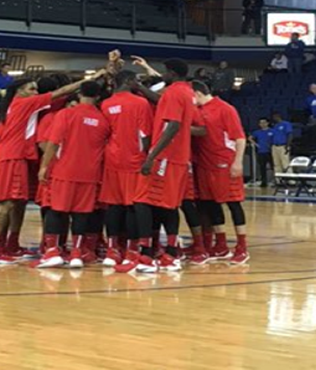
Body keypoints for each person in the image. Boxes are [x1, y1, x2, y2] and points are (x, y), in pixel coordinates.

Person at [0, 72, 104, 264]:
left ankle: (12, 244)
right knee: (7, 202)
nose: (35, 92)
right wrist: (94, 77)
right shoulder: (23, 103)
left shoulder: (20, 107)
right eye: (32, 89)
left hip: (16, 155)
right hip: (11, 156)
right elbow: (61, 92)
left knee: (18, 202)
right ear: (19, 91)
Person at [115, 58, 196, 273]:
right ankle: (170, 254)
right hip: (179, 157)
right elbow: (161, 102)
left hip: (165, 157)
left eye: (165, 72)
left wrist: (152, 156)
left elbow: (173, 125)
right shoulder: (186, 92)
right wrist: (140, 88)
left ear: (171, 73)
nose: (163, 75)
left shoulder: (173, 93)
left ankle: (146, 255)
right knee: (168, 205)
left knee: (141, 200)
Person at [34, 81, 110, 269]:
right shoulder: (103, 120)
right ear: (98, 97)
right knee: (82, 213)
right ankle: (77, 253)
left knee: (56, 209)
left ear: (79, 94)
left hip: (64, 170)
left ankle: (52, 252)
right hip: (90, 173)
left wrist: (44, 167)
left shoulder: (66, 114)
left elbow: (53, 143)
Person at [94, 70, 154, 267]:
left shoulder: (106, 104)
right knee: (134, 206)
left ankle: (112, 251)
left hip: (112, 160)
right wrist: (148, 155)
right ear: (129, 81)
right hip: (135, 160)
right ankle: (132, 250)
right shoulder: (141, 103)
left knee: (114, 205)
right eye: (136, 80)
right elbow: (145, 135)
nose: (138, 83)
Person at [191, 80, 248, 264]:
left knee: (233, 204)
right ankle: (221, 245)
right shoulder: (197, 110)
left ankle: (242, 246)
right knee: (211, 204)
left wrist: (238, 162)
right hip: (205, 165)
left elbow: (240, 138)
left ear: (198, 93)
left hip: (225, 163)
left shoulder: (225, 108)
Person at [251, 118, 274, 188]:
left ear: (267, 123)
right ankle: (264, 182)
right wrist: (256, 144)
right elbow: (250, 138)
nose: (262, 124)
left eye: (264, 122)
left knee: (273, 167)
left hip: (271, 151)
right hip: (261, 151)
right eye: (261, 123)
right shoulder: (257, 132)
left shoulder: (272, 131)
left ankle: (275, 181)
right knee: (262, 167)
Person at [271, 112, 293, 182]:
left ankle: (291, 181)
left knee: (285, 163)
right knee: (277, 164)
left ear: (278, 116)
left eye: (275, 116)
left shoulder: (286, 124)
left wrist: (288, 145)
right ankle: (279, 180)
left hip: (283, 146)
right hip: (275, 146)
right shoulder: (275, 126)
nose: (274, 118)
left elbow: (290, 135)